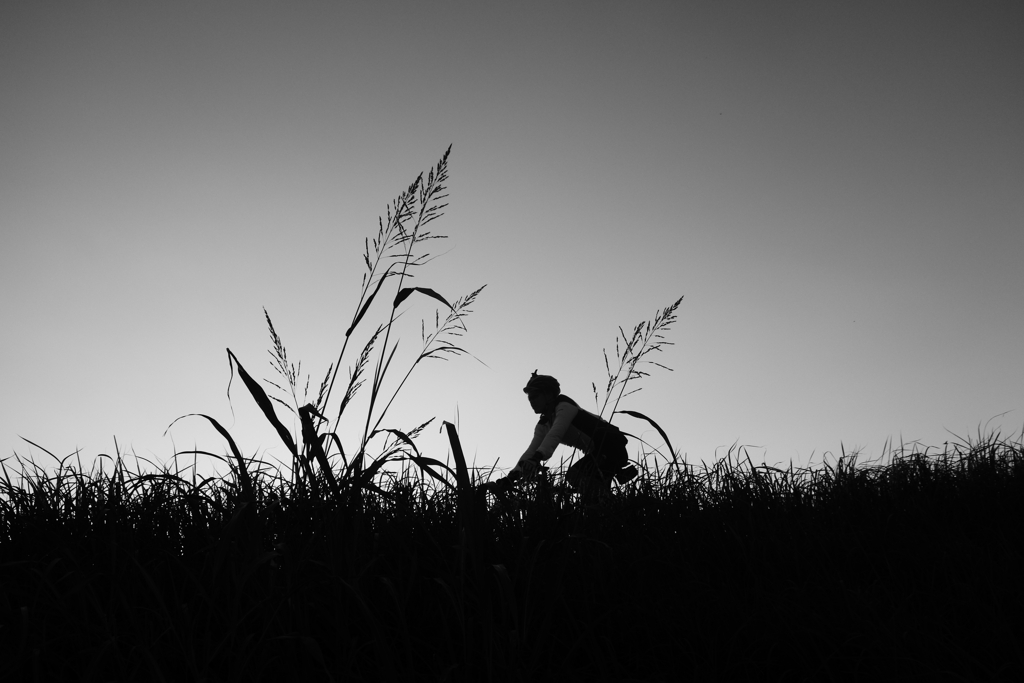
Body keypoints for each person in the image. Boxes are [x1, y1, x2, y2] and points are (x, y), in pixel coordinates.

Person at [511, 371, 630, 501]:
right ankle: (618, 507)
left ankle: (616, 505)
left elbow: (555, 434)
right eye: (530, 398)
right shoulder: (544, 423)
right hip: (597, 454)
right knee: (592, 498)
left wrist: (537, 458)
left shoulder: (564, 406)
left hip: (611, 447)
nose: (532, 401)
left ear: (549, 395)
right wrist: (511, 477)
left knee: (575, 476)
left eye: (535, 396)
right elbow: (531, 450)